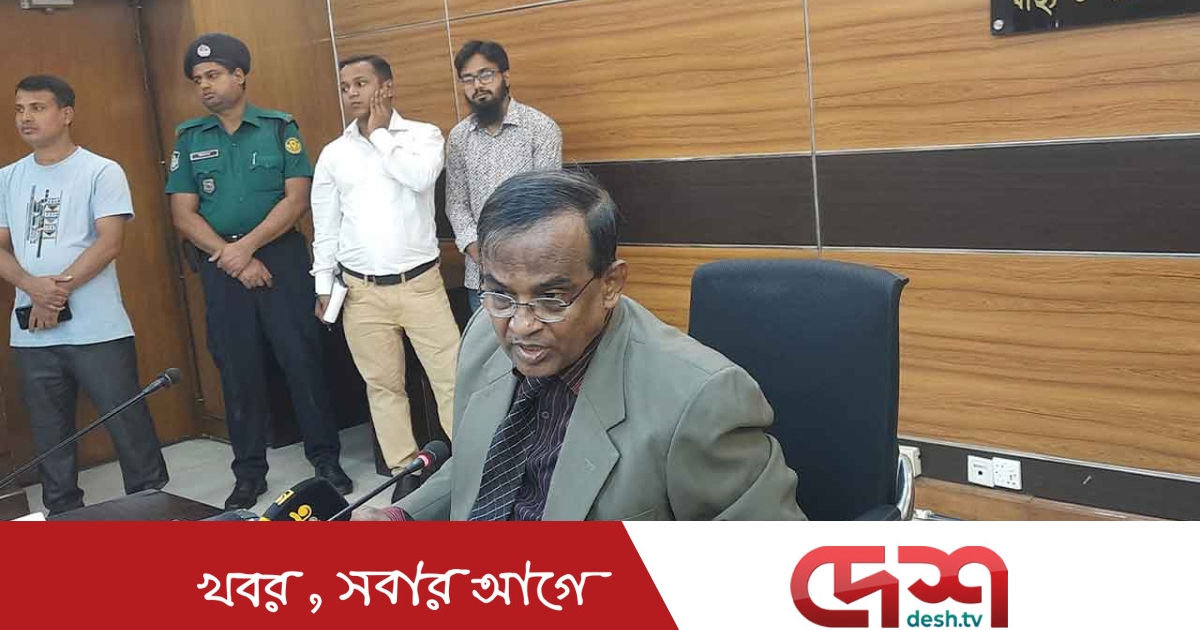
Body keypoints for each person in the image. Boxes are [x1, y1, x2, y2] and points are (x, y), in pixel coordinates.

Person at [354, 170, 806, 521]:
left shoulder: (700, 400)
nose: (521, 325)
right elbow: (479, 466)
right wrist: (400, 517)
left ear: (610, 284)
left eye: (551, 298)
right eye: (501, 295)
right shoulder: (482, 338)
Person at [165, 33, 351, 510]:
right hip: (220, 265)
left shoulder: (277, 128)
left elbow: (297, 198)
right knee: (237, 369)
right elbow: (183, 213)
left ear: (239, 75)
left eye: (213, 75)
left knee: (302, 360)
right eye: (197, 80)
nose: (204, 86)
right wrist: (232, 256)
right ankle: (248, 473)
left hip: (281, 259)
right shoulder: (190, 138)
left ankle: (326, 460)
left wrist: (246, 249)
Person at [0, 75, 168, 515]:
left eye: (37, 107)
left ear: (66, 114)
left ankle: (154, 508)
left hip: (98, 329)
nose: (25, 117)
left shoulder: (100, 170)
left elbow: (109, 242)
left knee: (127, 423)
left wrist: (53, 293)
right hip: (33, 334)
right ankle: (63, 515)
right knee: (50, 435)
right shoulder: (7, 178)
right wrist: (32, 287)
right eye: (19, 109)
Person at [311, 54, 459, 501]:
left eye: (361, 83)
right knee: (383, 386)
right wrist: (323, 286)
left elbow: (420, 178)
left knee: (452, 379)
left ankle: (471, 463)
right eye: (345, 86)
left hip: (421, 285)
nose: (352, 93)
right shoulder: (334, 153)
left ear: (387, 87)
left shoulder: (422, 135)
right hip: (361, 292)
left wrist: (378, 134)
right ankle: (403, 473)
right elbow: (326, 227)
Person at [444, 40, 562, 313]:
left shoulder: (541, 128)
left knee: (534, 337)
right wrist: (482, 255)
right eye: (468, 79)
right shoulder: (459, 138)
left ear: (505, 77)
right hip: (482, 276)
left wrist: (514, 257)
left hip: (533, 271)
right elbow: (456, 205)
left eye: (486, 75)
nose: (477, 85)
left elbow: (547, 204)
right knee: (486, 340)